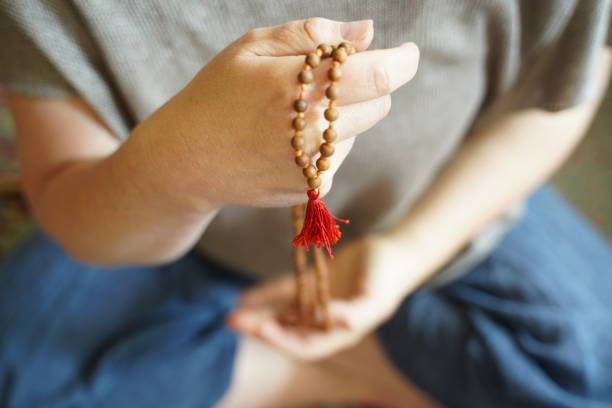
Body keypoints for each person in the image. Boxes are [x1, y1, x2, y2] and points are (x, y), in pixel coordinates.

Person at [1, 1, 611, 407]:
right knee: (18, 379)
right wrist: (180, 171)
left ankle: (245, 361)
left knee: (597, 364)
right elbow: (70, 196)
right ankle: (325, 366)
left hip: (441, 205)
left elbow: (553, 100)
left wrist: (407, 256)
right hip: (165, 233)